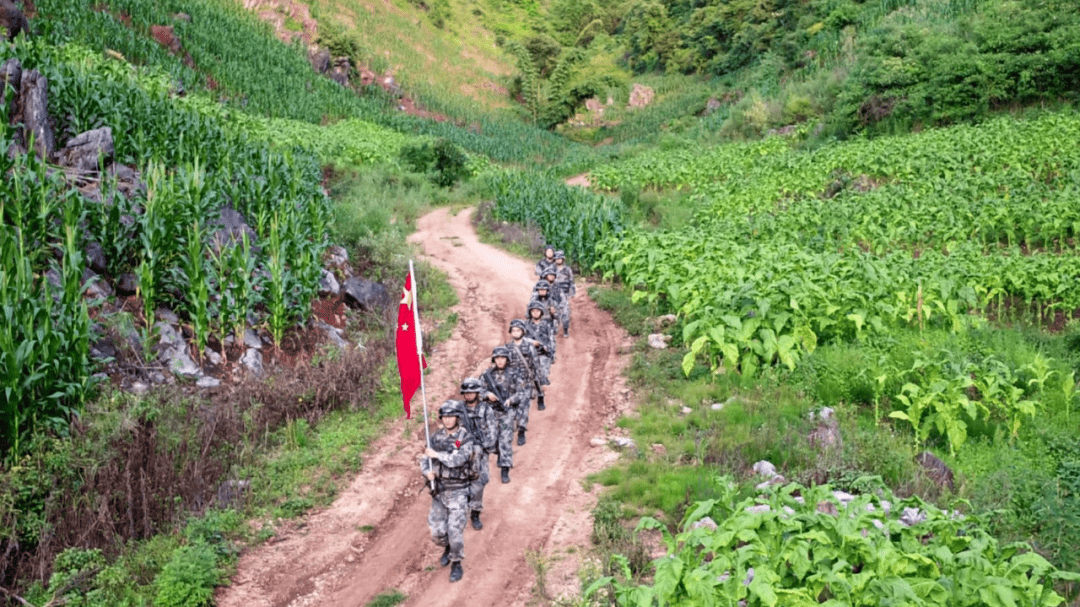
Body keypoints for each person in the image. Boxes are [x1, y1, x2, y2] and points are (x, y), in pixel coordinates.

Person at [421, 400, 476, 583]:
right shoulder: (435, 437)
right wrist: (427, 472)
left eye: (451, 416)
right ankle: (447, 547)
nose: (448, 419)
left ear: (457, 417)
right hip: (440, 491)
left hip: (458, 491)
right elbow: (425, 459)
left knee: (455, 531)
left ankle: (456, 562)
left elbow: (458, 459)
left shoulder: (463, 438)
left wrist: (437, 455)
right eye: (445, 416)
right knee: (437, 532)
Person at [481, 346, 525, 483]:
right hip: (491, 412)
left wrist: (510, 400)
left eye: (503, 358)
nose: (500, 361)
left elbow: (521, 393)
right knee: (491, 441)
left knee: (505, 440)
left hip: (507, 412)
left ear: (507, 359)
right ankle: (498, 454)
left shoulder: (515, 374)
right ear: (494, 359)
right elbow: (477, 390)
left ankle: (505, 469)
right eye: (497, 358)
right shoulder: (487, 375)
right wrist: (487, 394)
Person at [459, 377, 497, 530]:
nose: (469, 395)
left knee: (481, 481)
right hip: (463, 452)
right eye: (466, 393)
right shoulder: (459, 410)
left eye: (472, 392)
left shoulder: (486, 409)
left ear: (477, 393)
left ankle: (475, 512)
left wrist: (486, 445)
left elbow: (493, 429)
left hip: (480, 451)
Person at [504, 319, 548, 445]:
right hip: (512, 383)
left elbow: (536, 364)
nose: (516, 332)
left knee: (523, 407)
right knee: (512, 406)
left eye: (518, 330)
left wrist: (542, 380)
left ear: (523, 331)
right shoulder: (508, 347)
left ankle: (521, 431)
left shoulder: (529, 346)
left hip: (526, 382)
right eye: (513, 330)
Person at [525, 300, 555, 408]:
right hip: (529, 354)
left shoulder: (546, 325)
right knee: (532, 376)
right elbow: (520, 339)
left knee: (541, 376)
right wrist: (531, 342)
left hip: (543, 355)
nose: (535, 313)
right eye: (533, 311)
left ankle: (540, 394)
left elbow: (551, 339)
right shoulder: (526, 325)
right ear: (530, 312)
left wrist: (551, 351)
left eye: (537, 311)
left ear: (541, 312)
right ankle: (539, 395)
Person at [530, 279, 560, 354]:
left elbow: (558, 316)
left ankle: (551, 353)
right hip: (536, 323)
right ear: (537, 290)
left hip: (548, 324)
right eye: (540, 290)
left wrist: (553, 313)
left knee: (550, 339)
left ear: (547, 290)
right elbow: (528, 314)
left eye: (544, 290)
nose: (542, 291)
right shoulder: (533, 301)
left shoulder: (552, 302)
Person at [553, 251, 576, 337]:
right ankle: (554, 330)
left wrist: (572, 293)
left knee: (565, 313)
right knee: (554, 313)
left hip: (565, 294)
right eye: (557, 259)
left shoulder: (567, 270)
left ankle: (565, 330)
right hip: (554, 295)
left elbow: (571, 282)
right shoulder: (552, 269)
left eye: (560, 258)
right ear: (555, 260)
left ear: (562, 259)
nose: (558, 260)